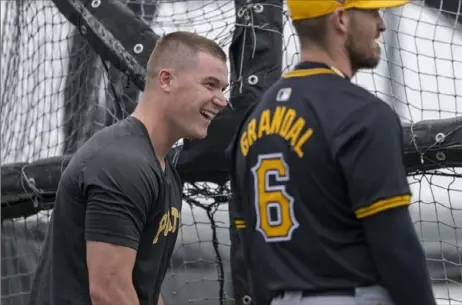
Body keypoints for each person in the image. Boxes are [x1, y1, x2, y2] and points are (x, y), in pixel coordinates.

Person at [227, 1, 437, 305]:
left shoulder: (251, 124)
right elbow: (395, 247)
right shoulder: (362, 113)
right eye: (372, 13)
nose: (381, 24)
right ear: (341, 19)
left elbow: (249, 253)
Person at [28, 31, 229, 305]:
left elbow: (139, 287)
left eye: (223, 89)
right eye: (210, 84)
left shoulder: (163, 171)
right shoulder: (122, 162)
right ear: (166, 80)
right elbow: (109, 291)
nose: (222, 100)